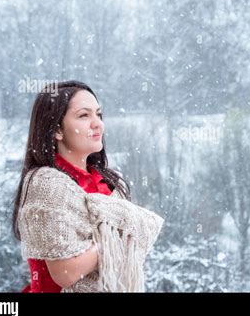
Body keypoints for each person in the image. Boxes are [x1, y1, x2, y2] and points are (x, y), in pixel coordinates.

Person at [13, 80, 164, 292]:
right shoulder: (47, 183)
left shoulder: (108, 183)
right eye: (84, 115)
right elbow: (65, 272)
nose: (97, 123)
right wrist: (112, 237)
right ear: (57, 130)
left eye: (98, 115)